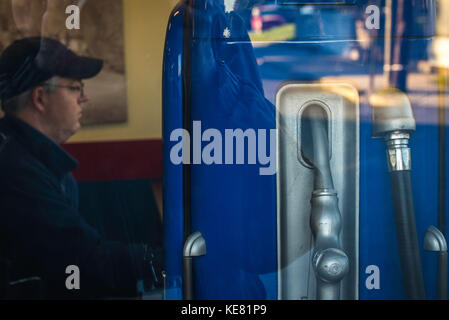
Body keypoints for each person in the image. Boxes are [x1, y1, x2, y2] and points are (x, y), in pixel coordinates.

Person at [0, 37, 163, 299]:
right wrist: (160, 263)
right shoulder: (15, 170)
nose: (84, 97)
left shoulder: (28, 156)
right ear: (40, 98)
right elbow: (81, 259)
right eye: (75, 87)